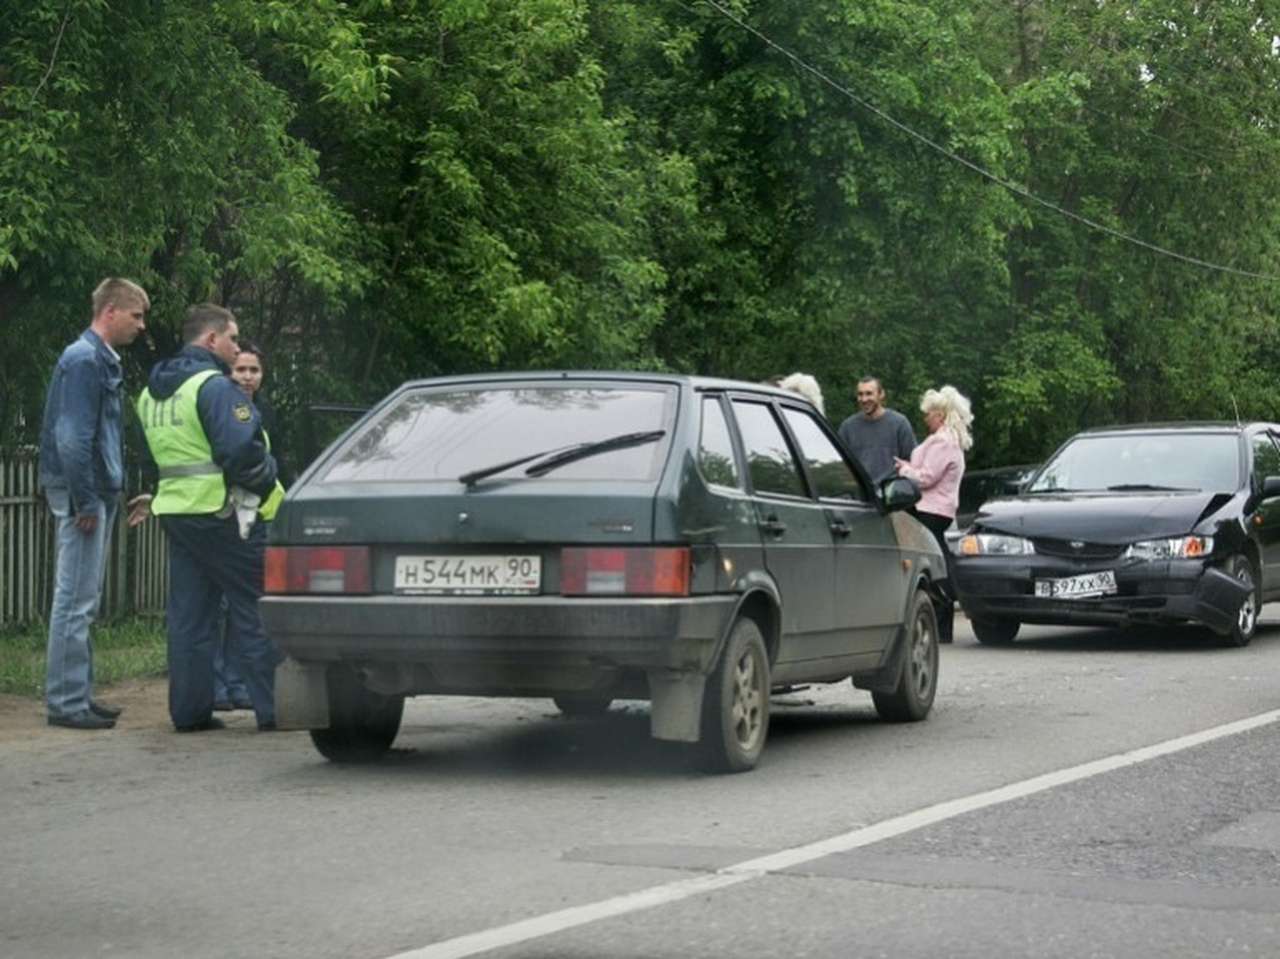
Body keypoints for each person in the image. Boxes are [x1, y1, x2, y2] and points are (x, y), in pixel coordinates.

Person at [137, 304, 280, 732]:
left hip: (177, 514)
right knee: (256, 607)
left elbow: (151, 456)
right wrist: (267, 477)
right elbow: (241, 451)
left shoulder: (152, 393)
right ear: (211, 340)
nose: (237, 348)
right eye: (233, 338)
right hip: (223, 514)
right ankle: (278, 709)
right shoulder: (214, 387)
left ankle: (190, 712)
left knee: (189, 617)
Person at [38, 278, 153, 730]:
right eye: (136, 315)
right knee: (74, 599)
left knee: (84, 597)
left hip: (92, 493)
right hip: (83, 497)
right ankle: (66, 702)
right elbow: (72, 438)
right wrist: (86, 499)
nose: (142, 325)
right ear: (110, 311)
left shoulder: (94, 359)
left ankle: (78, 693)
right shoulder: (85, 360)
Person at [213, 340, 284, 711]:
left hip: (264, 517)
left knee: (250, 606)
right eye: (240, 369)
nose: (247, 376)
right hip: (230, 516)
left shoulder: (265, 412)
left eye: (254, 370)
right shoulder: (222, 408)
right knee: (228, 605)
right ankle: (220, 683)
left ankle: (239, 682)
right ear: (229, 372)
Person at [893, 385, 973, 642]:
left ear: (940, 414)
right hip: (938, 509)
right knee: (937, 560)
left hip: (931, 509)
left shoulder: (942, 440)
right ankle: (941, 620)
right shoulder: (949, 440)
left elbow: (926, 477)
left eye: (928, 413)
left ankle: (943, 614)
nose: (925, 418)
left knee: (934, 563)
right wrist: (907, 466)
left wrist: (903, 471)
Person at [837, 376, 916, 483]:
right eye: (860, 394)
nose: (864, 399)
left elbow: (912, 462)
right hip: (859, 495)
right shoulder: (847, 427)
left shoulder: (900, 424)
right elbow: (839, 466)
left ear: (881, 394)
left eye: (869, 393)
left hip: (891, 494)